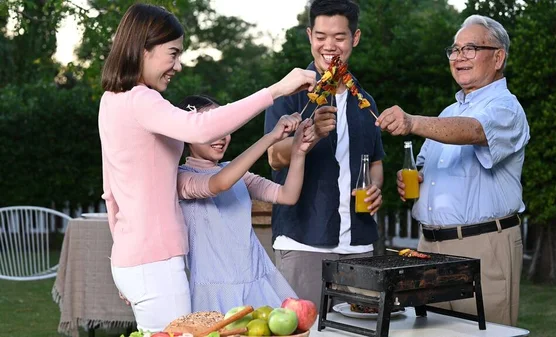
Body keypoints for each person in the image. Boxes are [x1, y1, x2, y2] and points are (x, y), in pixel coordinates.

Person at [99, 3, 316, 332]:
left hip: (134, 261)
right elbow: (202, 128)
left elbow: (110, 192)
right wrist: (277, 90)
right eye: (172, 53)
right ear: (142, 48)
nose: (178, 65)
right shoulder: (141, 100)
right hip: (156, 263)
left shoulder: (111, 100)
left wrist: (126, 258)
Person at [376, 15, 530, 326]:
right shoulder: (448, 112)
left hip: (482, 247)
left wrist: (412, 122)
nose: (458, 57)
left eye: (470, 48)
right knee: (428, 331)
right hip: (428, 248)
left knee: (483, 333)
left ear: (498, 57)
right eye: (454, 50)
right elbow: (421, 168)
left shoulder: (506, 107)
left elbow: (474, 131)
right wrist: (413, 181)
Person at [264, 0, 385, 307]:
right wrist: (311, 135)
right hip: (303, 241)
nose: (329, 46)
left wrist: (375, 188)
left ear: (355, 38)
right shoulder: (288, 93)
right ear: (309, 36)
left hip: (360, 245)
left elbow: (375, 163)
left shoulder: (365, 101)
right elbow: (274, 157)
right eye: (321, 36)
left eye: (339, 37)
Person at [175, 95, 316, 313]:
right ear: (188, 135)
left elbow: (287, 195)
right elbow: (219, 183)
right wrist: (270, 138)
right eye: (211, 129)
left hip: (257, 280)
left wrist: (298, 152)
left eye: (225, 127)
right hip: (215, 291)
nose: (221, 137)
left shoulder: (238, 173)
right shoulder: (181, 178)